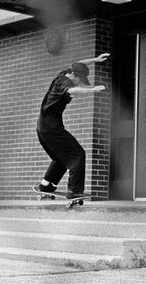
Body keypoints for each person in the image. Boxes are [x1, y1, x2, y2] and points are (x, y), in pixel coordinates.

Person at [36, 53, 110, 198]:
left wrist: (95, 60)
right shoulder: (64, 83)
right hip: (51, 128)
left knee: (61, 156)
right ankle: (74, 190)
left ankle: (46, 184)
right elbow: (71, 90)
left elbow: (77, 62)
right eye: (79, 80)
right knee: (77, 154)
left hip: (43, 128)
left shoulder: (63, 74)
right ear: (73, 75)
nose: (79, 83)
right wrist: (91, 90)